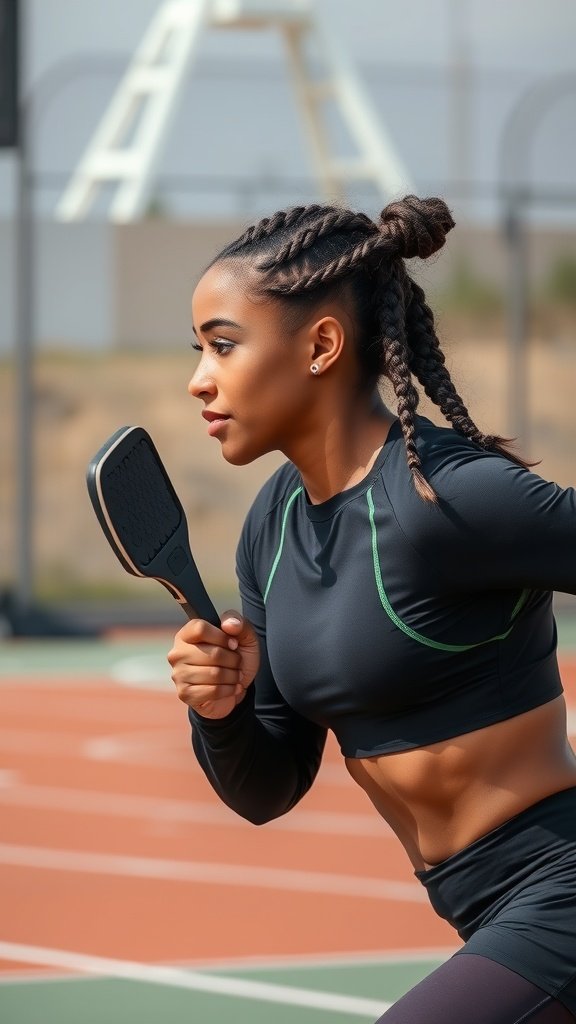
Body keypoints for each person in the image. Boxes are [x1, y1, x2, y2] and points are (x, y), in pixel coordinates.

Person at [167, 196, 576, 1023]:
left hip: (557, 891)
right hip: (478, 909)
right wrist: (220, 710)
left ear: (321, 345)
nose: (198, 378)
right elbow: (268, 786)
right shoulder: (273, 527)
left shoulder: (450, 497)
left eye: (223, 344)